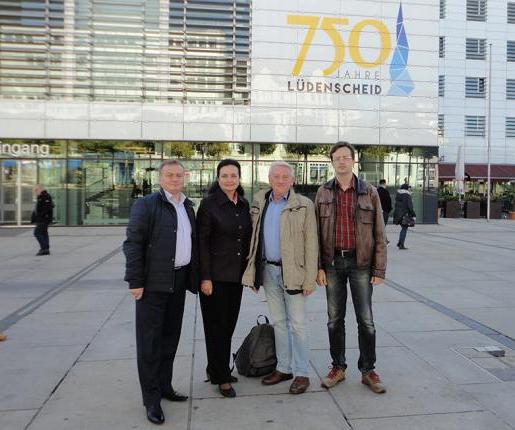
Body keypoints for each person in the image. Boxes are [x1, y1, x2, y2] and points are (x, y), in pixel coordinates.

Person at [123, 160, 199, 425]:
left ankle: (165, 386)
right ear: (160, 178)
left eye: (179, 175)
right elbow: (133, 244)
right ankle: (151, 400)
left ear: (185, 177)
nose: (175, 179)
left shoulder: (187, 206)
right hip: (153, 284)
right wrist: (135, 281)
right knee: (150, 344)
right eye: (169, 175)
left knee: (170, 338)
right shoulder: (146, 205)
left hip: (178, 281)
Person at [315, 142, 387, 394]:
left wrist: (379, 269)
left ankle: (368, 371)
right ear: (332, 162)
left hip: (361, 264)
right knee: (334, 320)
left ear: (353, 161)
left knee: (366, 321)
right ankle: (338, 367)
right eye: (337, 158)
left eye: (346, 157)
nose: (342, 161)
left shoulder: (369, 192)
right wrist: (318, 267)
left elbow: (379, 232)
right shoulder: (323, 192)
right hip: (332, 263)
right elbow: (315, 233)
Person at [242, 161, 318, 395]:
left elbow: (311, 243)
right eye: (276, 176)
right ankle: (284, 368)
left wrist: (310, 279)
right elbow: (253, 239)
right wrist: (252, 274)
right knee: (278, 323)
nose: (281, 180)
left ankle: (302, 372)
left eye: (285, 177)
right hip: (268, 271)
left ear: (292, 180)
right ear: (270, 178)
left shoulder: (304, 205)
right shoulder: (259, 201)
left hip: (294, 273)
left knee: (298, 324)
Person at [197, 159, 252, 398]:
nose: (229, 180)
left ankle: (215, 368)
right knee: (216, 329)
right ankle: (221, 378)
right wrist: (205, 277)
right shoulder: (209, 204)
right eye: (225, 175)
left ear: (239, 178)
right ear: (218, 178)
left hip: (236, 277)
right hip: (215, 278)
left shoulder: (244, 204)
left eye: (233, 175)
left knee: (227, 327)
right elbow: (202, 244)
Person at [31, 184, 53, 256]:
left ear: (40, 189)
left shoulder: (45, 196)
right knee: (44, 233)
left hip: (43, 219)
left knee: (37, 233)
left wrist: (41, 217)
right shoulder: (40, 196)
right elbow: (37, 209)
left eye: (36, 190)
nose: (35, 192)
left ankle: (44, 248)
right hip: (41, 219)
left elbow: (47, 208)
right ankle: (46, 249)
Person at [393, 183, 416, 250]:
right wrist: (413, 214)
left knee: (403, 228)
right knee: (404, 228)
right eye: (409, 188)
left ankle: (400, 242)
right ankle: (401, 244)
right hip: (404, 214)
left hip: (398, 214)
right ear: (406, 188)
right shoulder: (407, 195)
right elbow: (410, 206)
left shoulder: (398, 194)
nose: (409, 189)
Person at [377, 179, 392, 244]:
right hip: (384, 211)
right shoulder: (386, 192)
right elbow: (389, 202)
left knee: (378, 226)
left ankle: (385, 239)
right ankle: (384, 240)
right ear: (384, 183)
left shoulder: (376, 191)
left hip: (377, 211)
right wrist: (388, 210)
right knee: (382, 226)